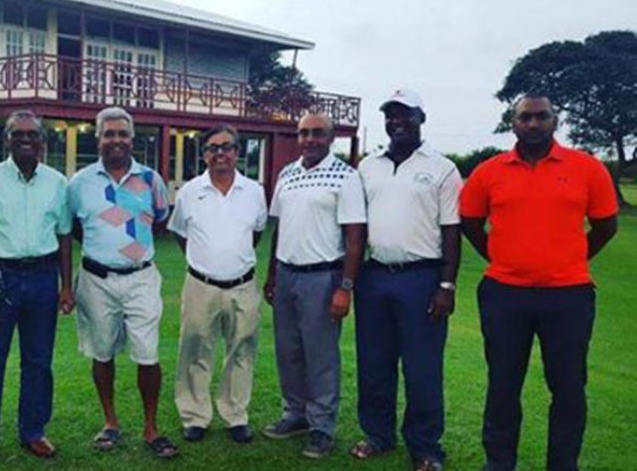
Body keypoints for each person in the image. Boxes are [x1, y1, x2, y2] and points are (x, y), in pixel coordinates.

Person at [460, 94, 618, 471]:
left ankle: (563, 465)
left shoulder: (587, 168)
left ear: (554, 120)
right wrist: (502, 258)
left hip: (568, 297)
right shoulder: (489, 171)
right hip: (504, 295)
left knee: (567, 388)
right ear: (512, 122)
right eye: (525, 117)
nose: (533, 124)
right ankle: (499, 463)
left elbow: (605, 226)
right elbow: (470, 222)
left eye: (541, 117)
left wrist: (570, 259)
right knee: (503, 385)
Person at [351, 89, 461, 471]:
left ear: (421, 119)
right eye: (390, 115)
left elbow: (451, 231)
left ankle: (426, 447)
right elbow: (356, 226)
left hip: (421, 278)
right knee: (374, 362)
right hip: (375, 276)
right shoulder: (368, 166)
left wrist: (446, 286)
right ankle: (378, 435)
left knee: (422, 366)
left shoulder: (443, 168)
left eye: (405, 115)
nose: (397, 122)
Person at [0, 110, 73, 470]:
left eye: (33, 135)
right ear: (5, 139)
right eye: (17, 134)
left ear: (43, 141)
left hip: (42, 277)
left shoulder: (57, 183)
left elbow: (65, 236)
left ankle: (33, 431)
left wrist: (66, 285)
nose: (26, 140)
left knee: (38, 361)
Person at [68, 107, 177, 459]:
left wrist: (130, 251)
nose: (116, 140)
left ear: (132, 138)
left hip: (141, 278)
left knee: (147, 354)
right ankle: (111, 422)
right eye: (108, 133)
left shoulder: (150, 179)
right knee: (102, 352)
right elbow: (73, 229)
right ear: (97, 138)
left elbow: (159, 221)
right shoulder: (80, 183)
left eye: (122, 134)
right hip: (96, 280)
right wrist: (106, 252)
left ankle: (150, 427)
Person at [262, 112, 366, 459]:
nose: (309, 139)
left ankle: (321, 426)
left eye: (317, 133)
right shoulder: (287, 174)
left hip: (324, 277)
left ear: (331, 137)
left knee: (320, 356)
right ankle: (295, 415)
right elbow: (281, 228)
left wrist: (345, 287)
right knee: (288, 351)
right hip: (287, 273)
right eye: (304, 133)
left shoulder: (346, 176)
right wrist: (272, 273)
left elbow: (355, 238)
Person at [168, 124, 267, 445]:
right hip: (201, 285)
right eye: (213, 148)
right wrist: (206, 263)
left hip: (243, 285)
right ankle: (195, 416)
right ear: (204, 154)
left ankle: (235, 415)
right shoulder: (188, 192)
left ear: (238, 152)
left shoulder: (254, 191)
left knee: (242, 350)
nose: (220, 153)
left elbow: (256, 234)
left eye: (227, 147)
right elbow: (181, 235)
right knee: (195, 350)